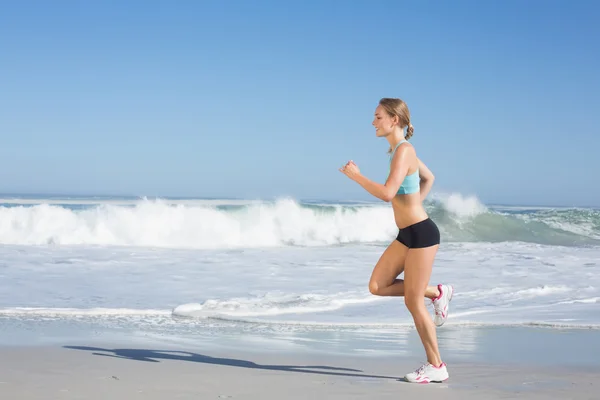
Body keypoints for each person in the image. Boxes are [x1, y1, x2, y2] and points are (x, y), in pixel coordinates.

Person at [339, 98, 454, 384]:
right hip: (408, 234)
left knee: (412, 301)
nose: (373, 122)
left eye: (378, 117)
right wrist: (413, 206)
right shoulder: (397, 151)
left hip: (422, 235)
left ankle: (436, 365)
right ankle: (436, 293)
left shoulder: (404, 150)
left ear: (394, 119)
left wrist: (357, 177)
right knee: (377, 285)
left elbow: (389, 193)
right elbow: (429, 178)